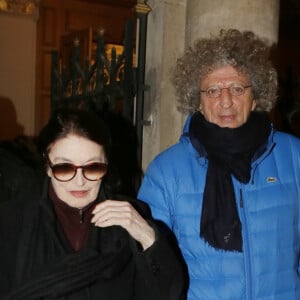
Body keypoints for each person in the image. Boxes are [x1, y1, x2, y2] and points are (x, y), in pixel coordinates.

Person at [138, 29, 300, 299]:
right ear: (198, 101)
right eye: (212, 90)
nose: (225, 101)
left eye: (237, 88)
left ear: (256, 96)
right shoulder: (166, 171)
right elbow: (150, 263)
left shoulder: (293, 156)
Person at [0, 109, 186, 299]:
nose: (80, 181)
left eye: (93, 167)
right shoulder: (14, 221)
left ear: (106, 165)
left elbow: (168, 293)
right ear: (48, 167)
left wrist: (148, 237)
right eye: (64, 167)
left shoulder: (130, 216)